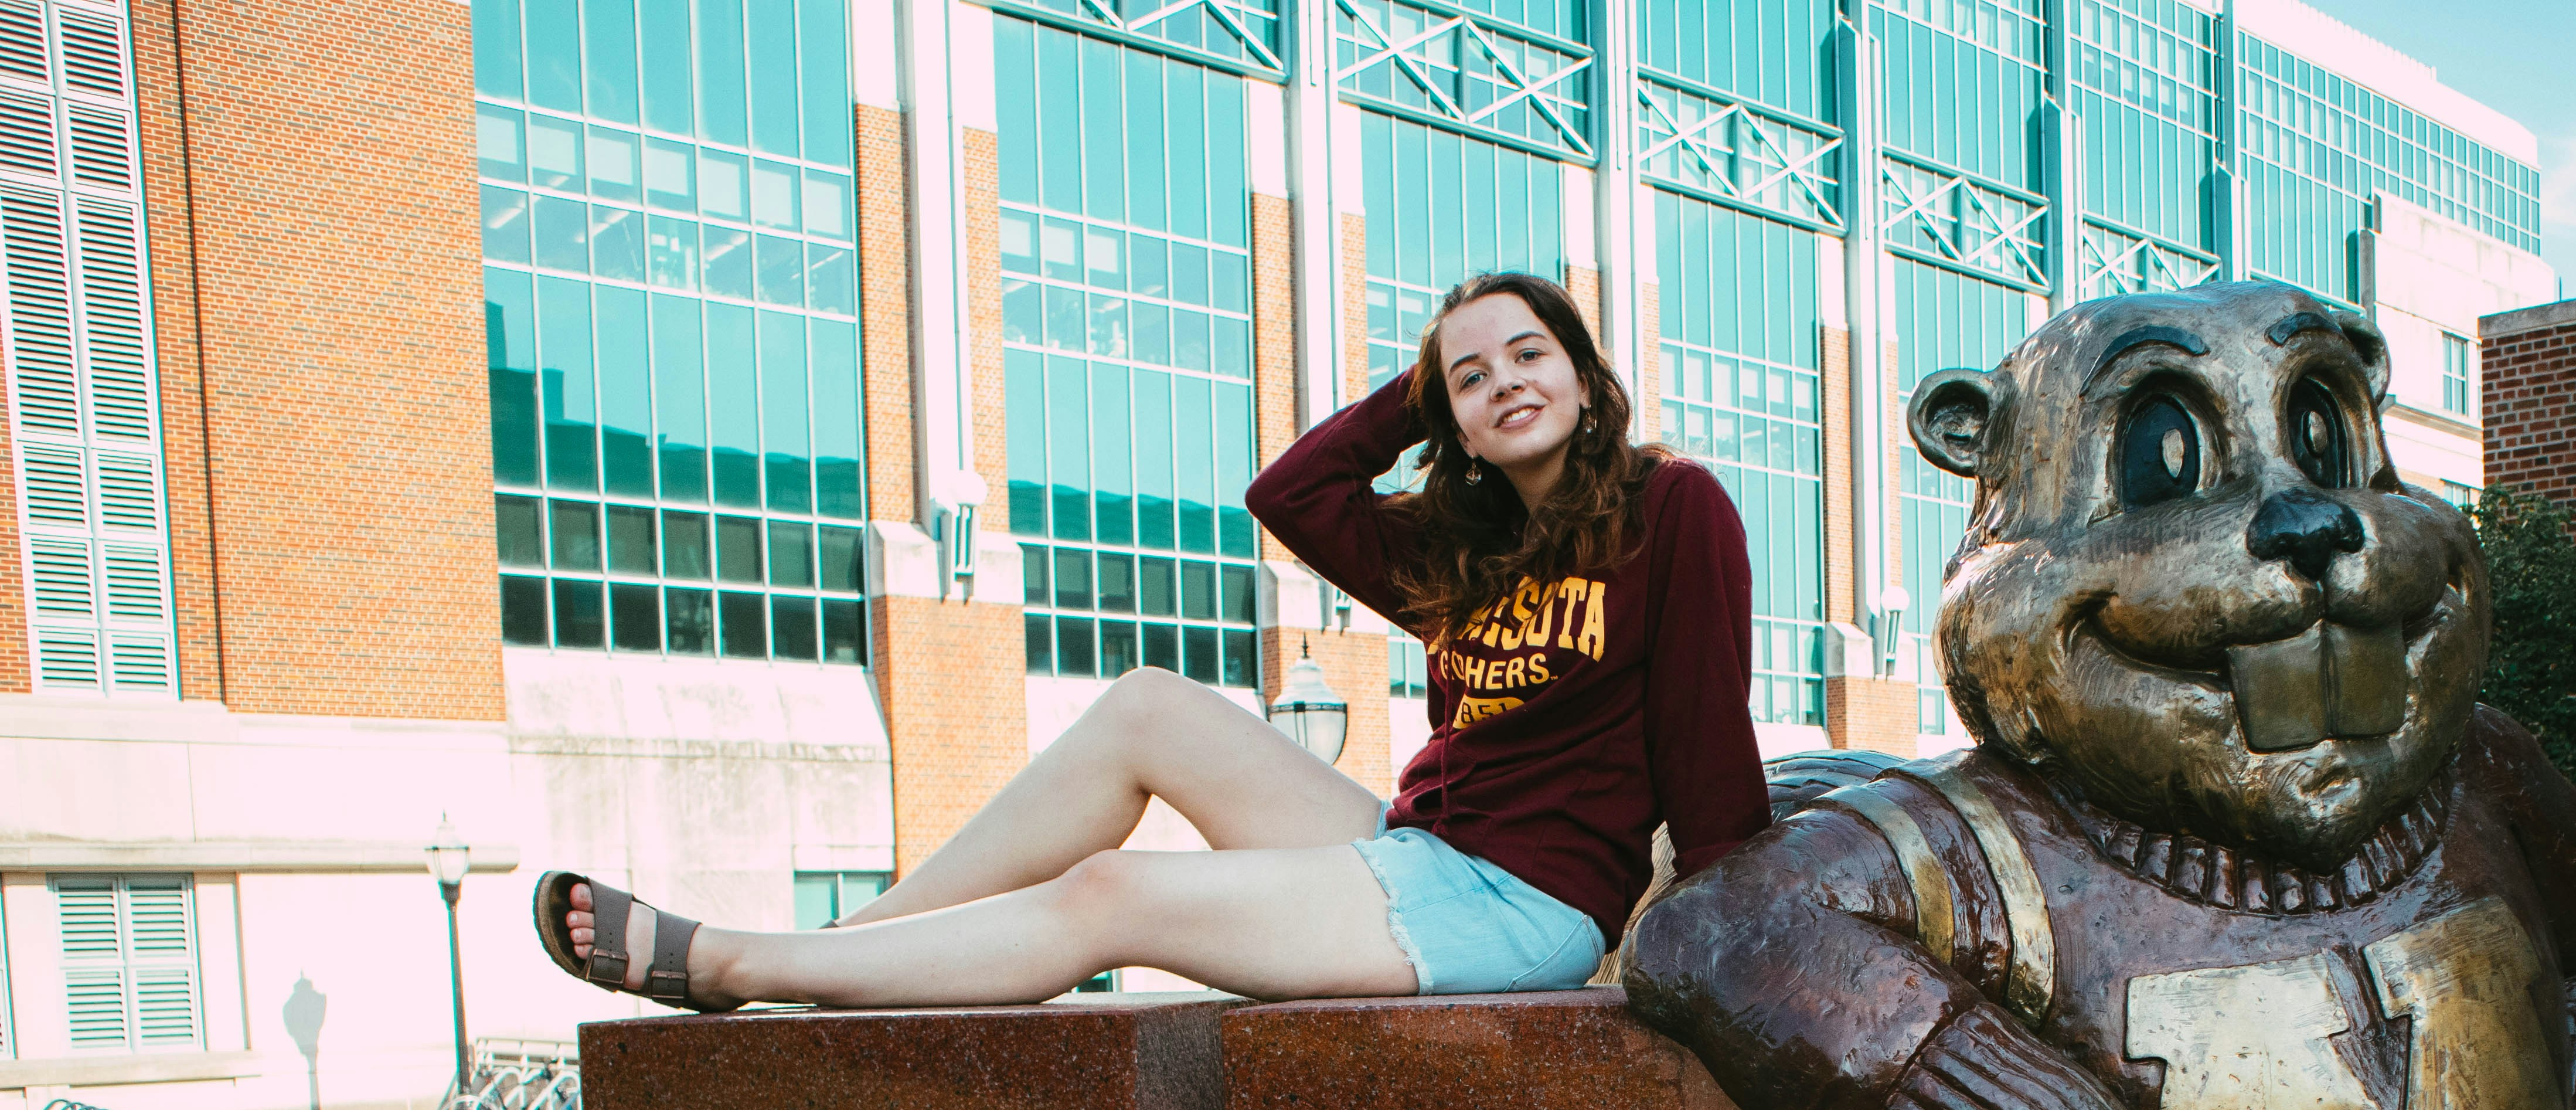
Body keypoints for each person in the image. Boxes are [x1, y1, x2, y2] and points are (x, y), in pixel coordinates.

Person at [534, 271, 1768, 1011]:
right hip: (1416, 849)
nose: (1503, 380)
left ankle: (741, 964)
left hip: (1521, 904)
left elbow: (1708, 744)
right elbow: (1292, 496)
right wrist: (1417, 389)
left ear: (1586, 373)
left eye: (1529, 354)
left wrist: (1735, 947)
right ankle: (846, 955)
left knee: (1112, 892)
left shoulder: (1674, 509)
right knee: (1144, 704)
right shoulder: (1467, 545)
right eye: (1470, 376)